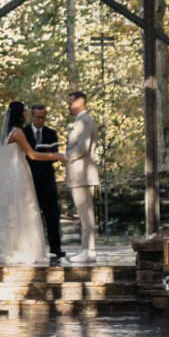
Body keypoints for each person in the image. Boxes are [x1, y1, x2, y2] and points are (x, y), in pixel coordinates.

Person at [0, 99, 54, 266]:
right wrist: (56, 156)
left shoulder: (7, 133)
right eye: (24, 111)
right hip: (18, 173)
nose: (26, 113)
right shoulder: (17, 132)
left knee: (12, 209)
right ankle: (21, 248)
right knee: (22, 207)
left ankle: (9, 245)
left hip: (13, 173)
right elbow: (32, 155)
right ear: (19, 114)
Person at [26, 103, 64, 264]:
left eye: (43, 117)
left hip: (47, 179)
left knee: (52, 214)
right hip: (29, 179)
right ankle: (31, 248)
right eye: (38, 117)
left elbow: (54, 154)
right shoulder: (24, 132)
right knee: (30, 215)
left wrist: (50, 155)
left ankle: (55, 247)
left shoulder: (51, 133)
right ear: (32, 116)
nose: (41, 120)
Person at [65, 89, 99, 260]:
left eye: (70, 103)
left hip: (82, 175)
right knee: (85, 213)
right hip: (81, 175)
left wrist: (65, 157)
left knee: (86, 214)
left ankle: (89, 250)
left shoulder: (84, 121)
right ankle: (85, 248)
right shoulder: (83, 120)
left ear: (79, 103)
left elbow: (82, 148)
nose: (69, 106)